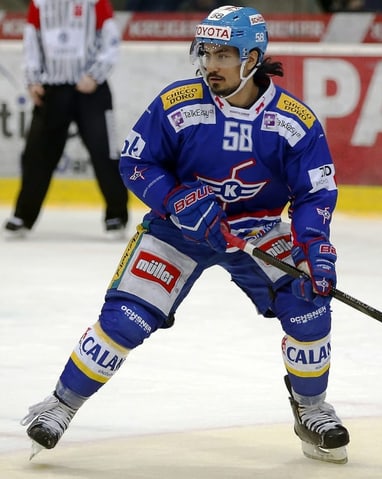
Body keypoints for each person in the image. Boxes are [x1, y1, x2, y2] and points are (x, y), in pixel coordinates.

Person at [20, 5, 350, 465]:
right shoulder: (179, 103)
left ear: (252, 59)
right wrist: (176, 199)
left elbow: (315, 191)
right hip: (177, 231)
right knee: (125, 320)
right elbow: (136, 163)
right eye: (205, 52)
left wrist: (316, 246)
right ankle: (59, 405)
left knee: (309, 306)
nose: (210, 64)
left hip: (251, 232)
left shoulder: (293, 120)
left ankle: (311, 408)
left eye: (223, 54)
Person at [4, 0, 129, 237]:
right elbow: (32, 41)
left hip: (92, 89)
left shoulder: (96, 2)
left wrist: (96, 74)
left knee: (106, 150)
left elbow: (111, 39)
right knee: (36, 155)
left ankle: (116, 215)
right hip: (52, 89)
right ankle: (23, 216)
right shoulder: (40, 3)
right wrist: (32, 79)